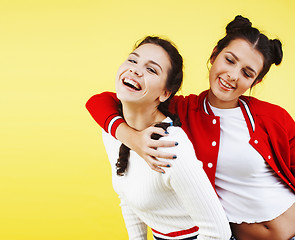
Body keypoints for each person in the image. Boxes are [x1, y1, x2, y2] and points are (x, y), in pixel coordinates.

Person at [86, 16, 295, 240]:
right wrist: (131, 138)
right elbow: (104, 101)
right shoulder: (183, 110)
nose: (233, 76)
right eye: (230, 60)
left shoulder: (271, 118)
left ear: (255, 82)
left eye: (247, 73)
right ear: (214, 55)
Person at [87, 36, 231, 240]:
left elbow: (218, 233)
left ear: (165, 93)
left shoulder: (170, 146)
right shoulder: (112, 131)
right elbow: (127, 198)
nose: (135, 70)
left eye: (151, 69)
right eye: (132, 60)